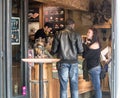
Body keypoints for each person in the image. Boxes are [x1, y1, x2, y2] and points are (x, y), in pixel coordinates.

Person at [50, 18, 83, 98]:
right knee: (74, 85)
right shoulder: (77, 34)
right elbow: (80, 50)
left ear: (65, 25)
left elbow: (53, 50)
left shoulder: (59, 34)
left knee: (63, 86)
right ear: (72, 25)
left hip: (62, 62)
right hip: (74, 62)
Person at [82, 27, 102, 98]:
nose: (87, 34)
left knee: (97, 88)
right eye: (87, 32)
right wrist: (86, 44)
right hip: (94, 67)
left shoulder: (94, 45)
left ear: (93, 34)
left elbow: (85, 55)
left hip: (94, 68)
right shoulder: (94, 43)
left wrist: (84, 44)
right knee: (97, 88)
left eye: (89, 32)